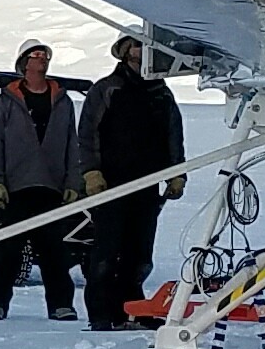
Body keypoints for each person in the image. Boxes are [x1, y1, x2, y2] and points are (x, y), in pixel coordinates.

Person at [78, 32, 186, 330]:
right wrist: (91, 171)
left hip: (147, 183)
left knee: (139, 253)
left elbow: (173, 135)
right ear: (126, 52)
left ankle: (132, 307)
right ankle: (101, 313)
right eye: (137, 47)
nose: (142, 53)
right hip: (111, 182)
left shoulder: (161, 93)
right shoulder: (106, 89)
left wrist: (176, 172)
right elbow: (88, 134)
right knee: (106, 252)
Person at [0, 42, 85, 322]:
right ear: (24, 63)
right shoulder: (6, 100)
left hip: (51, 186)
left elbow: (72, 144)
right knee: (8, 250)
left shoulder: (62, 101)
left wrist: (73, 180)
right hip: (17, 186)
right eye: (37, 56)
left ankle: (61, 305)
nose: (43, 61)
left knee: (53, 250)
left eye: (46, 56)